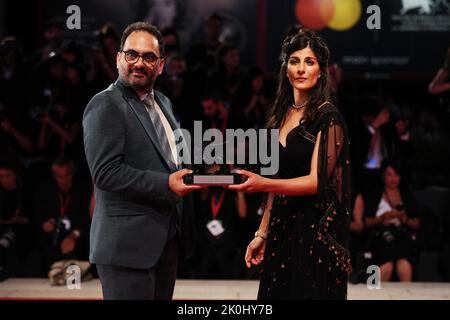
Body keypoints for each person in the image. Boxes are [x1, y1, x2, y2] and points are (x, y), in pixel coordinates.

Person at [227, 28, 351, 299]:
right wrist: (262, 233)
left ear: (321, 70)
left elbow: (317, 180)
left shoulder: (328, 117)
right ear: (285, 69)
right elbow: (276, 181)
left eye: (310, 62)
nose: (301, 69)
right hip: (282, 228)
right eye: (294, 61)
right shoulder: (281, 115)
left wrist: (263, 182)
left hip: (315, 234)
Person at [82, 22, 202, 300]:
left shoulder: (163, 102)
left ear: (160, 65)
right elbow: (106, 173)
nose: (139, 63)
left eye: (148, 57)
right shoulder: (105, 104)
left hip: (165, 241)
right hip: (125, 247)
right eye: (131, 54)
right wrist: (167, 183)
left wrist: (206, 167)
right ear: (118, 58)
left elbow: (168, 160)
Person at [362, 160, 420, 282]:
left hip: (401, 236)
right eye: (389, 174)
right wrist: (384, 217)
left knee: (403, 263)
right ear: (383, 176)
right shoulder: (376, 194)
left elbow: (416, 224)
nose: (393, 178)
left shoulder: (406, 195)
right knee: (386, 264)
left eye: (396, 175)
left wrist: (403, 218)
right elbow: (366, 223)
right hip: (380, 236)